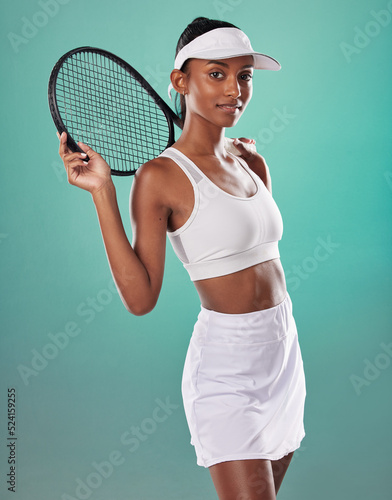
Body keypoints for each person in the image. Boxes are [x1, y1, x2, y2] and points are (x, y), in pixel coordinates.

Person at [57, 17, 306, 500]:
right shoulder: (160, 177)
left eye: (245, 75)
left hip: (284, 354)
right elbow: (141, 298)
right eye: (217, 73)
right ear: (180, 81)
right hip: (227, 367)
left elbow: (256, 250)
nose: (235, 89)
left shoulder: (252, 161)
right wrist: (103, 193)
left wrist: (244, 159)